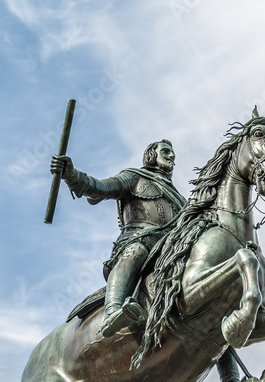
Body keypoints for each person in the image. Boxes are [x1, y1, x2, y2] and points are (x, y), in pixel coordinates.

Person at [50, 140, 187, 337]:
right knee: (136, 251)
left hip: (170, 249)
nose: (172, 156)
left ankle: (228, 366)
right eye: (165, 151)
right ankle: (113, 313)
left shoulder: (181, 200)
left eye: (173, 153)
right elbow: (100, 188)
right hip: (140, 239)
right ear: (151, 156)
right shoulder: (134, 177)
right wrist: (71, 174)